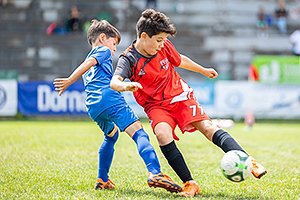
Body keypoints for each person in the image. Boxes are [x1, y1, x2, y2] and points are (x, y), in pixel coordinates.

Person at [110, 9, 268, 197]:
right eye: (159, 40)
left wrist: (203, 70)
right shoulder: (129, 59)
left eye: (163, 40)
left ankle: (249, 162)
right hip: (156, 106)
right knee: (162, 134)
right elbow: (115, 82)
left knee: (207, 127)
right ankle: (190, 183)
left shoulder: (164, 46)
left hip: (179, 96)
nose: (162, 45)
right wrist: (125, 86)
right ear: (144, 36)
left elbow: (179, 60)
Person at [53, 19, 182, 193]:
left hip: (92, 106)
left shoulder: (91, 57)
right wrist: (69, 80)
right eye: (114, 44)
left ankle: (102, 179)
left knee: (111, 136)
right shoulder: (102, 51)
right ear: (102, 38)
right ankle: (155, 172)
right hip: (110, 99)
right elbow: (88, 63)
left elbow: (88, 65)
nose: (114, 49)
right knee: (139, 133)